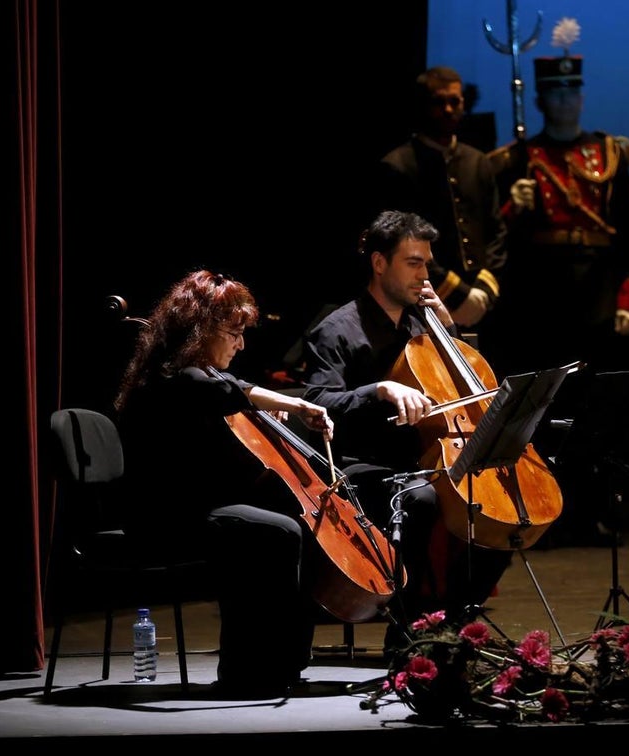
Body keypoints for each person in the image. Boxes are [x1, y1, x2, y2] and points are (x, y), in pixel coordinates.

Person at [113, 269, 336, 697]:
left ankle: (280, 662)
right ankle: (246, 672)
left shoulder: (194, 375)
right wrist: (293, 403)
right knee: (277, 530)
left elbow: (232, 389)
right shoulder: (174, 376)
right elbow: (228, 390)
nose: (241, 343)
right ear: (201, 329)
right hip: (161, 517)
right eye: (233, 332)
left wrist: (271, 408)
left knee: (283, 523)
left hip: (193, 506)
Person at [299, 210, 513, 646]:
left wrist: (449, 332)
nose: (424, 275)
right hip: (363, 466)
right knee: (419, 498)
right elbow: (316, 403)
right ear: (380, 263)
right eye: (413, 262)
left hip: (424, 456)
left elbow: (458, 388)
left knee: (501, 504)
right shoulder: (336, 331)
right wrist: (378, 389)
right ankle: (409, 630)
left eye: (426, 263)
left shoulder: (422, 323)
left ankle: (452, 619)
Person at [487, 20, 629, 546]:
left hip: (597, 293)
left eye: (572, 90)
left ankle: (596, 510)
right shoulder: (516, 161)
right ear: (539, 99)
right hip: (539, 297)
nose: (565, 101)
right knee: (542, 411)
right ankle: (543, 512)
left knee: (596, 409)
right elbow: (492, 236)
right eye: (555, 91)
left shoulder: (610, 154)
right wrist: (515, 206)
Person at [370, 65, 509, 357]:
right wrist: (458, 296)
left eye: (455, 101)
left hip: (485, 303)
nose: (448, 109)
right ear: (423, 105)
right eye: (439, 102)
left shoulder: (478, 161)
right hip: (424, 303)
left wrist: (483, 291)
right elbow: (400, 243)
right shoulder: (398, 166)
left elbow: (496, 232)